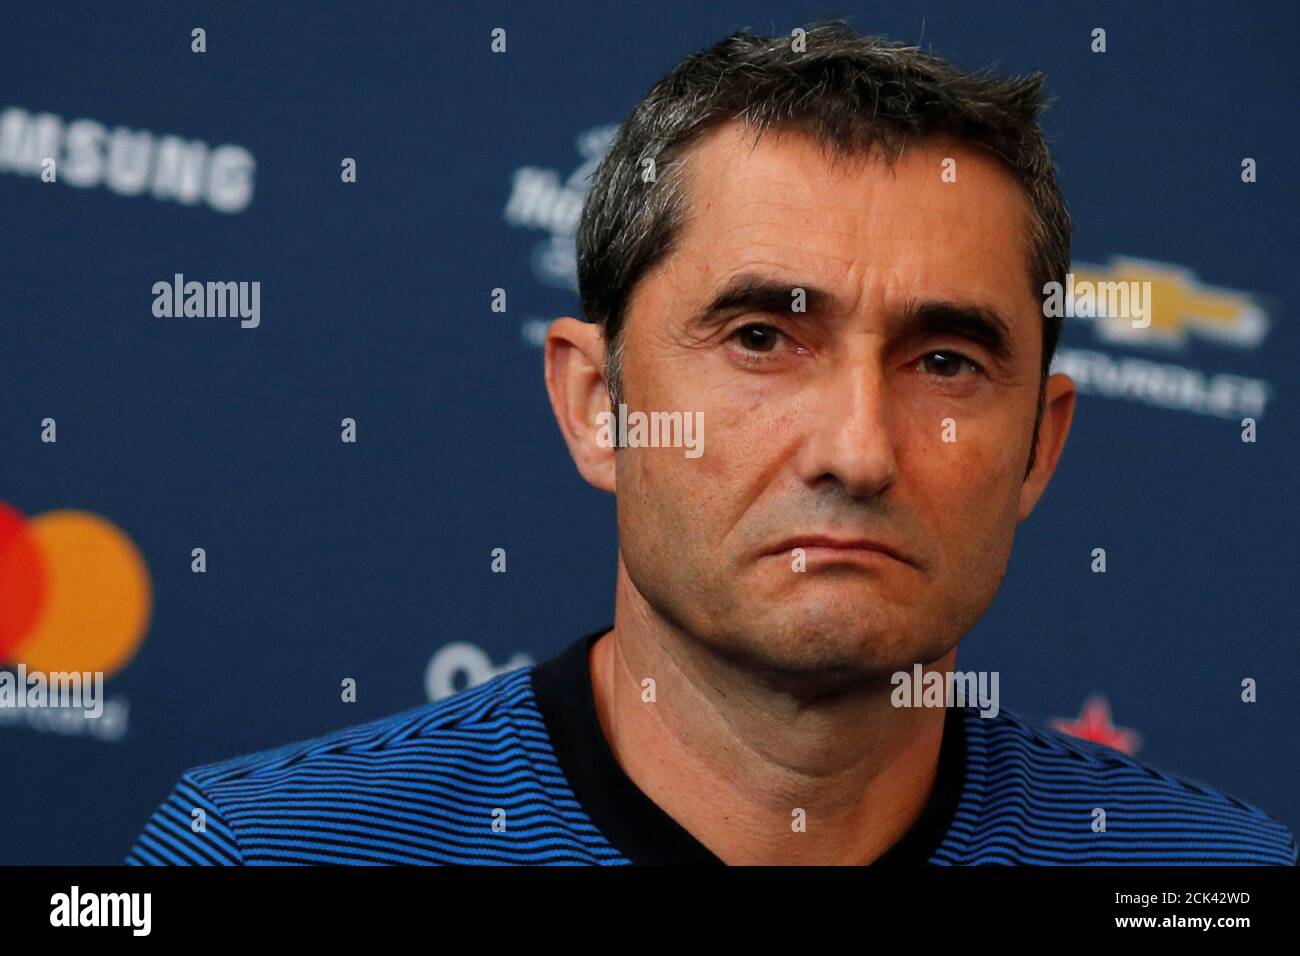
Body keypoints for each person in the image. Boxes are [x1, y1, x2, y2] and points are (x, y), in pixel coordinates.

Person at [127, 21, 1295, 866]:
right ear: (598, 401)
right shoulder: (268, 851)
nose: (856, 449)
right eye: (759, 337)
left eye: (944, 360)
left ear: (1038, 447)